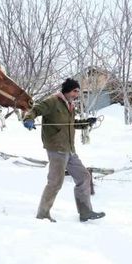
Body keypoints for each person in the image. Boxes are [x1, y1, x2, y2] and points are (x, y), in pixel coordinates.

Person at [23, 78, 105, 223]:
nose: (76, 94)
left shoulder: (70, 105)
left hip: (69, 149)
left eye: (78, 91)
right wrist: (28, 119)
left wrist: (86, 123)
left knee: (84, 177)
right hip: (56, 148)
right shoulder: (52, 101)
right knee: (55, 182)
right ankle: (43, 214)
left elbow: (71, 125)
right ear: (67, 90)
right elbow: (34, 110)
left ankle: (85, 212)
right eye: (75, 91)